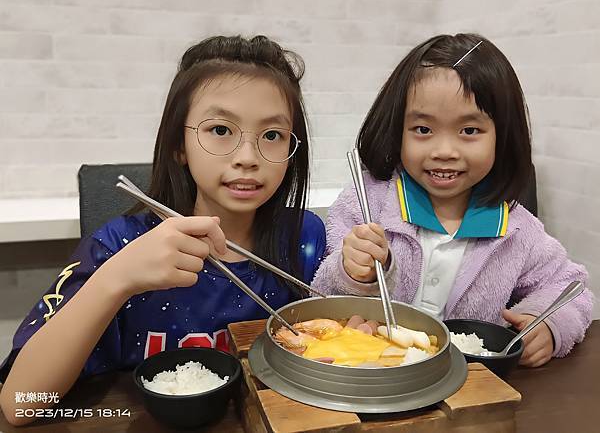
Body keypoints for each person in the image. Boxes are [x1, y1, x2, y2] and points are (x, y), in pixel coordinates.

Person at [0, 35, 325, 425]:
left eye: (272, 136)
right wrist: (116, 278)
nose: (248, 158)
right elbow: (20, 404)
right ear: (178, 145)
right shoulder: (118, 244)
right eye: (220, 130)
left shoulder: (305, 235)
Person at [312, 33, 593, 369]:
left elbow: (571, 287)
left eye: (469, 131)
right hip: (367, 378)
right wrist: (351, 272)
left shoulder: (517, 229)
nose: (444, 151)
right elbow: (319, 301)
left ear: (503, 137)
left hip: (471, 389)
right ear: (397, 129)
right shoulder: (367, 201)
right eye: (422, 129)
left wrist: (548, 323)